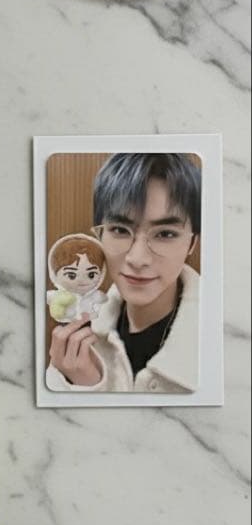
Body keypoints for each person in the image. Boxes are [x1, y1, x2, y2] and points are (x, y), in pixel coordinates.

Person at [46, 153, 201, 393]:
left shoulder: (225, 335)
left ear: (192, 243)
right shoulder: (81, 331)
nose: (137, 259)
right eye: (119, 230)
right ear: (99, 236)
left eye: (165, 234)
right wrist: (78, 385)